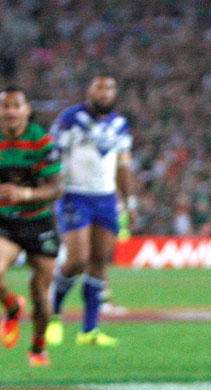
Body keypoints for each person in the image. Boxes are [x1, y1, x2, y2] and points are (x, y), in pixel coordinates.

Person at [46, 75, 135, 347]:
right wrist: (54, 185)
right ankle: (53, 315)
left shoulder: (120, 125)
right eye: (100, 88)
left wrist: (129, 201)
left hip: (106, 199)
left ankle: (89, 330)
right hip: (75, 195)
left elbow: (122, 165)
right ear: (90, 91)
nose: (105, 93)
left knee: (99, 262)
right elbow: (52, 154)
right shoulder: (70, 119)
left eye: (110, 88)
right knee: (76, 260)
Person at [0, 86, 63, 366]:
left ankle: (37, 346)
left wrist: (24, 194)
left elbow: (56, 188)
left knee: (41, 293)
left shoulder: (42, 142)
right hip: (5, 222)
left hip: (38, 222)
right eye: (5, 106)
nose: (10, 110)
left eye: (16, 105)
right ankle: (12, 307)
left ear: (26, 110)